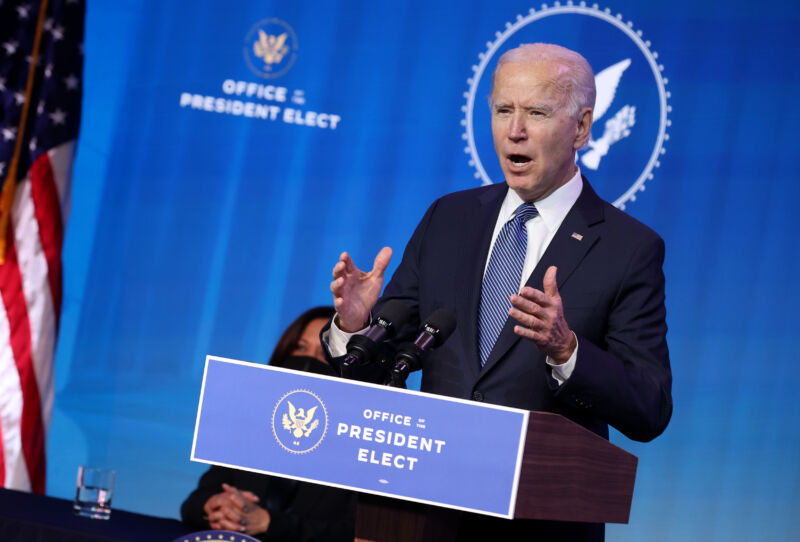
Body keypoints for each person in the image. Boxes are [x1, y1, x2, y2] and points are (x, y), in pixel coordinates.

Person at [325, 43, 672, 541]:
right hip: (429, 517)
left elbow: (650, 407)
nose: (515, 130)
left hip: (544, 524)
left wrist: (567, 352)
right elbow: (396, 355)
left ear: (581, 127)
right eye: (503, 110)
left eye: (536, 112)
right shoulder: (450, 217)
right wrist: (357, 326)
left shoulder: (629, 248)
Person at [181, 306, 356, 542]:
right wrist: (217, 507)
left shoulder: (358, 447)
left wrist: (267, 522)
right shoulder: (251, 426)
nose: (309, 362)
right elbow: (194, 503)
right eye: (300, 348)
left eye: (326, 353)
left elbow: (355, 534)